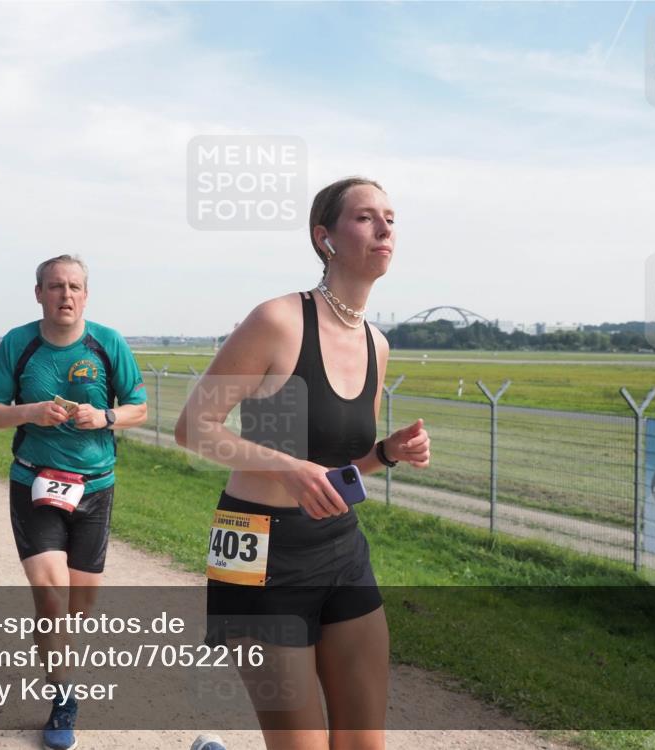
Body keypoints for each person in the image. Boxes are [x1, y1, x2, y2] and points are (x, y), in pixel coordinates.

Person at [175, 177, 431, 750]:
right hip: (259, 548)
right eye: (366, 217)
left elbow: (339, 467)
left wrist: (386, 453)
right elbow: (194, 428)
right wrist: (288, 467)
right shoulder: (279, 321)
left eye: (391, 217)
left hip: (340, 546)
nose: (385, 228)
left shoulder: (376, 344)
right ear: (326, 238)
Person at [0, 255, 147, 750]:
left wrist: (107, 417)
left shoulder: (108, 343)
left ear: (86, 295)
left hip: (95, 486)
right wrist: (31, 412)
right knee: (51, 598)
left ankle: (59, 659)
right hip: (36, 482)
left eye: (74, 287)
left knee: (80, 605)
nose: (65, 295)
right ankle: (63, 700)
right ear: (39, 294)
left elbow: (139, 407)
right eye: (55, 287)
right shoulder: (18, 343)